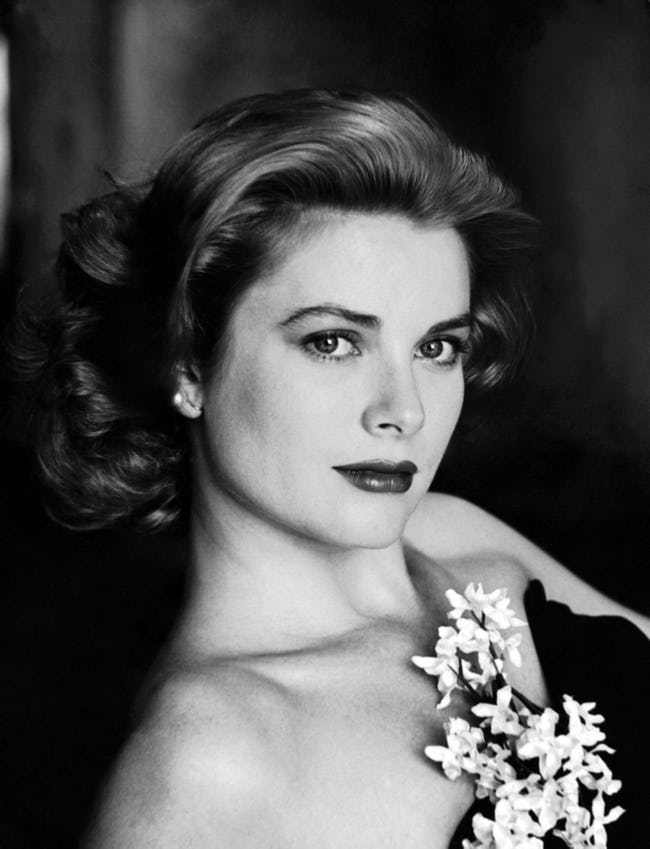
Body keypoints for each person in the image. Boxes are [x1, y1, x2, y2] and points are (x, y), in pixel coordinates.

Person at [24, 89, 647, 848]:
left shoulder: (452, 536)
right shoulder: (207, 768)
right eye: (332, 342)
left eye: (436, 348)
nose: (404, 410)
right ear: (187, 363)